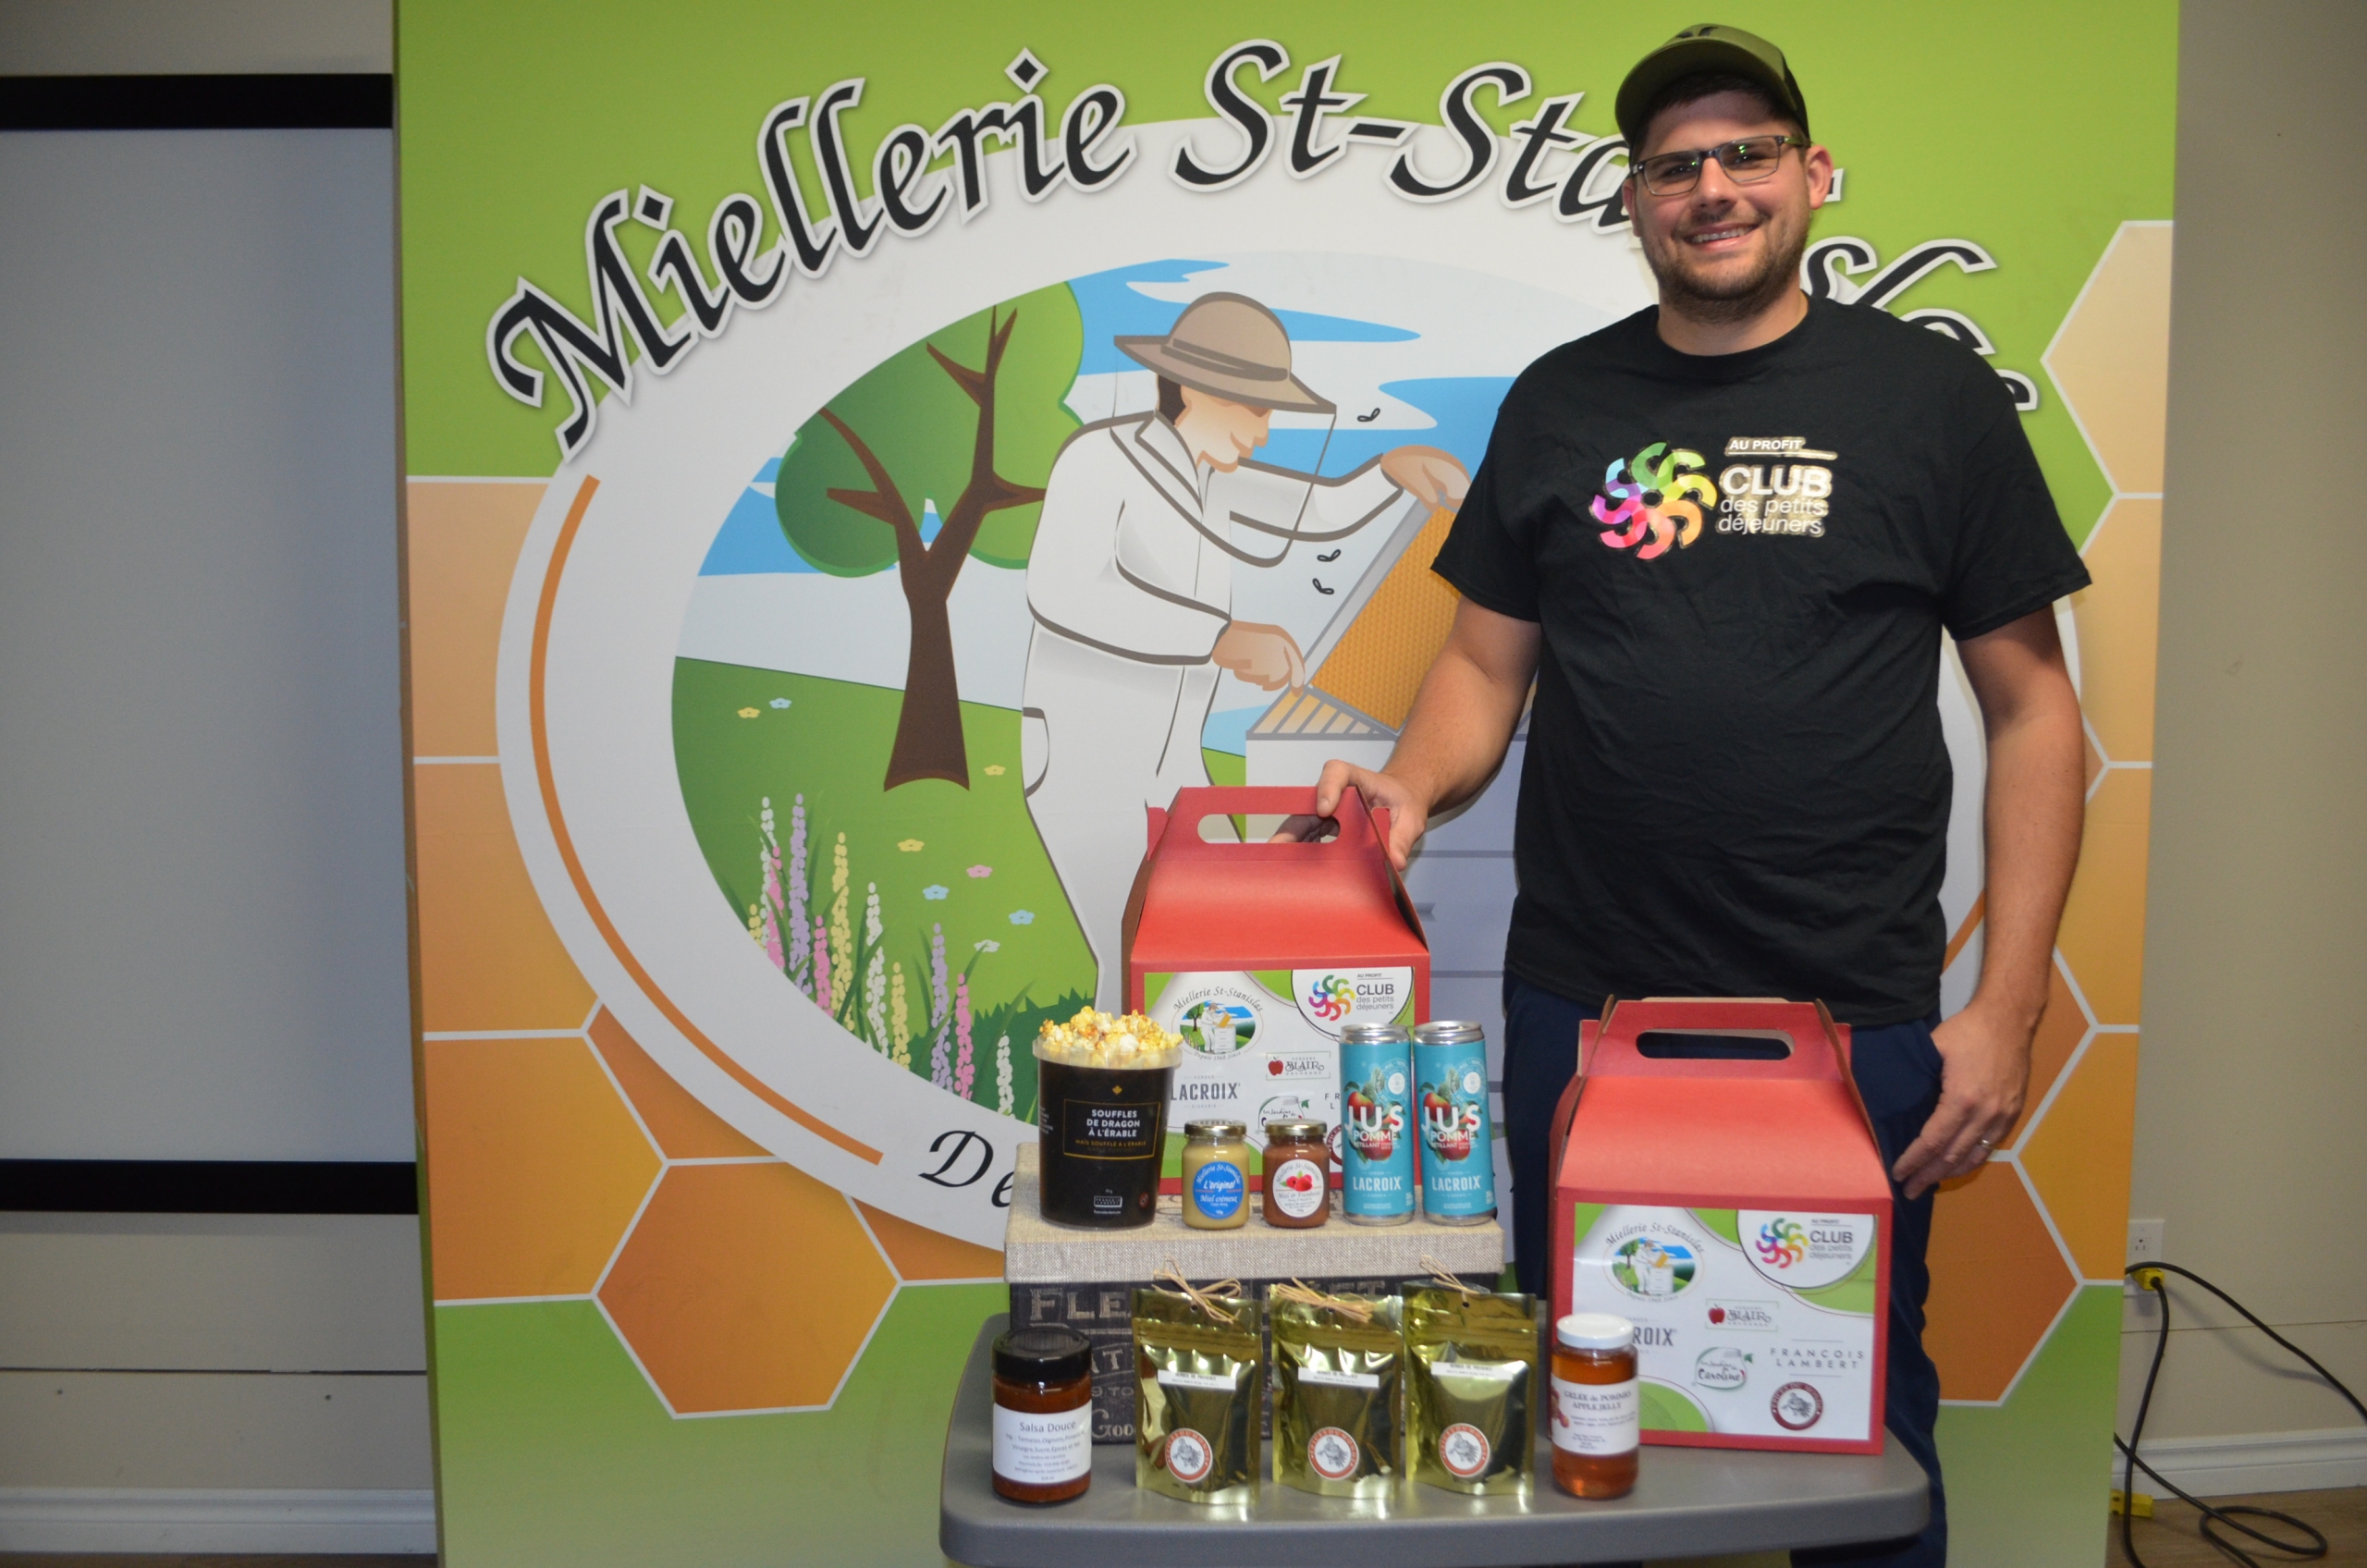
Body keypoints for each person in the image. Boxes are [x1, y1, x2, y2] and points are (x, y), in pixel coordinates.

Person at [1298, 26, 2089, 1567]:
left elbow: (2035, 709)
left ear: (1812, 175)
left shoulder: (1928, 401)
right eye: (1676, 165)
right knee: (1582, 1394)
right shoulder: (1563, 403)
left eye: (1746, 155)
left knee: (1858, 1409)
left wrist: (2004, 1006)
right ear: (1637, 198)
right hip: (1585, 1002)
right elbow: (1480, 663)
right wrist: (1404, 786)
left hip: (1850, 1010)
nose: (1712, 188)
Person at [1022, 292, 1466, 1012]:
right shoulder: (1099, 460)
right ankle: (1105, 1118)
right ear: (1192, 388)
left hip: (1173, 768)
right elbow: (1066, 590)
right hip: (1084, 758)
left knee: (1213, 949)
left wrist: (1390, 469)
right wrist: (1218, 638)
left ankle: (1203, 1118)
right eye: (1254, 409)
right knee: (1129, 956)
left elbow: (1313, 511)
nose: (1263, 433)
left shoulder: (1211, 477)